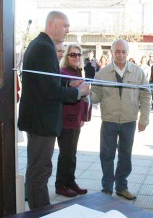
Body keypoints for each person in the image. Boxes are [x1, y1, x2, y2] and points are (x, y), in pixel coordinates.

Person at [18, 11, 89, 210]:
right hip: (42, 121)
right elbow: (49, 90)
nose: (68, 30)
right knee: (40, 171)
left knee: (37, 170)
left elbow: (45, 84)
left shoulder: (41, 45)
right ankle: (41, 212)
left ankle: (39, 209)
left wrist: (67, 84)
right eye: (65, 25)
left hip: (39, 119)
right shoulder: (43, 48)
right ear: (52, 24)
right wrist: (77, 92)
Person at [90, 39, 151, 200]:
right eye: (117, 51)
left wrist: (144, 118)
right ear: (111, 52)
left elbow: (146, 96)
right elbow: (96, 96)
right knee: (106, 154)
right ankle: (107, 188)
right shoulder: (102, 73)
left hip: (129, 120)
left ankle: (121, 186)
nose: (120, 55)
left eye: (123, 52)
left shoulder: (138, 72)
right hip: (109, 120)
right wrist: (85, 94)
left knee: (125, 155)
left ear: (128, 53)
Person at [55, 44, 88, 197]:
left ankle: (70, 181)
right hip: (65, 119)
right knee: (66, 154)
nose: (76, 57)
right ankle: (61, 184)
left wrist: (83, 117)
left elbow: (83, 97)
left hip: (76, 120)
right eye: (73, 54)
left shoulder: (78, 72)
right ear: (67, 57)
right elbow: (62, 93)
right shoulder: (62, 73)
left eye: (79, 55)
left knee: (72, 154)